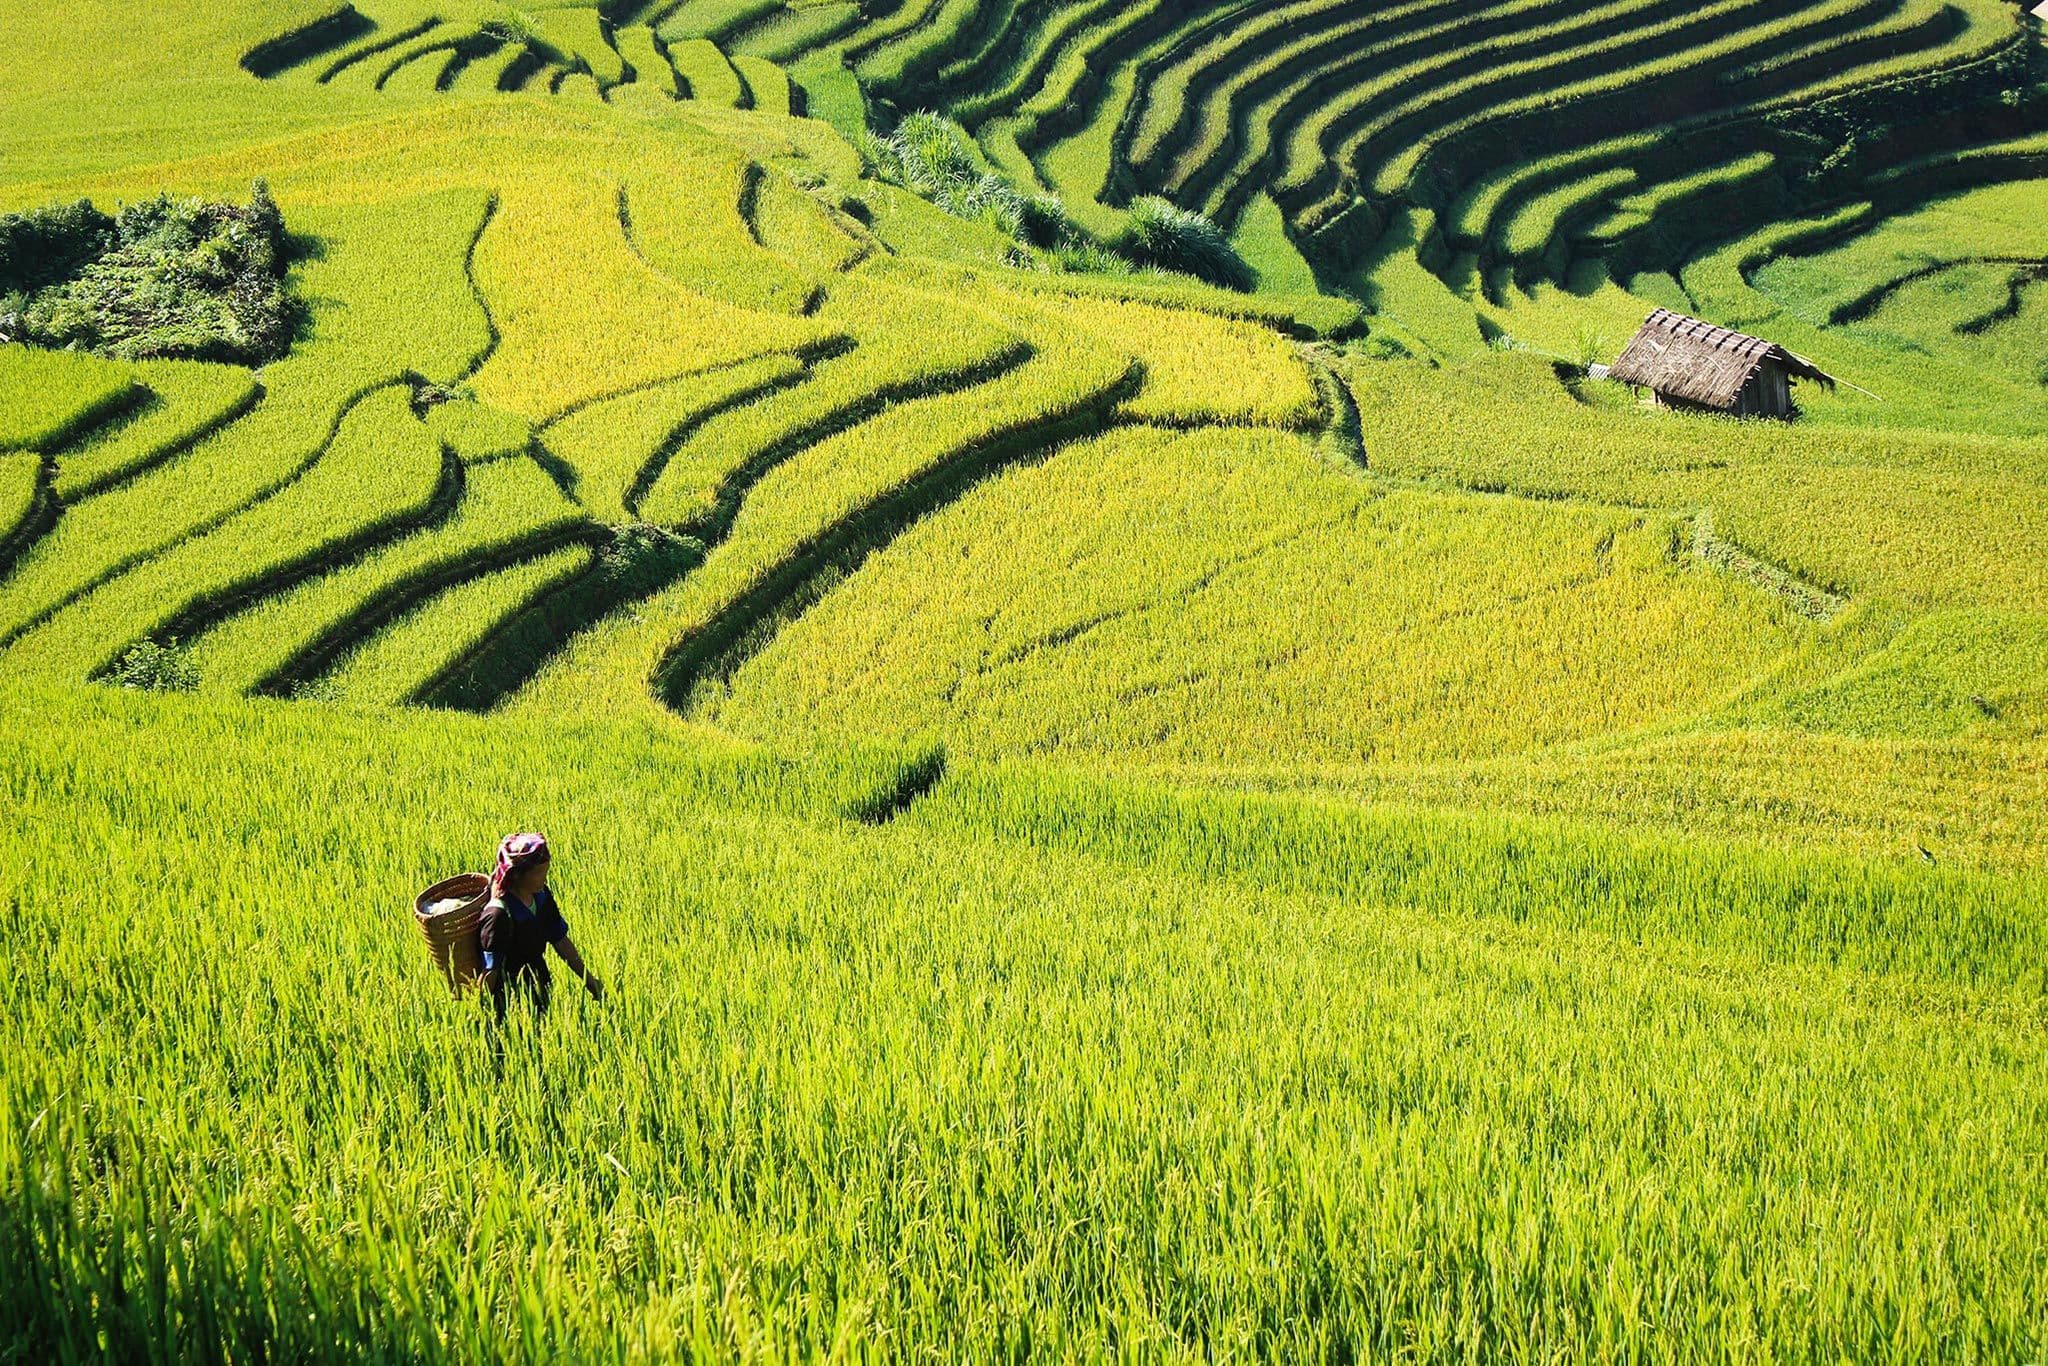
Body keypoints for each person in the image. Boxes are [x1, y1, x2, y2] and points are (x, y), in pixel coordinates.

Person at [478, 832, 603, 1018]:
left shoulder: (541, 896)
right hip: (508, 996)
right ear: (517, 874)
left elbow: (560, 940)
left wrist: (590, 981)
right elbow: (491, 970)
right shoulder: (499, 914)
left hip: (539, 983)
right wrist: (481, 1015)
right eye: (539, 874)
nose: (544, 879)